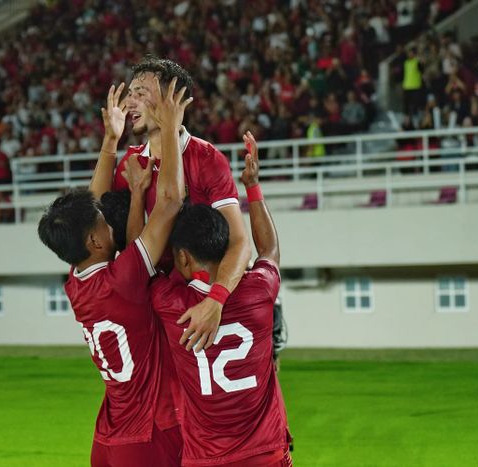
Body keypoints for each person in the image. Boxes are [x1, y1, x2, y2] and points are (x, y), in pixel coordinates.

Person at [37, 79, 192, 466]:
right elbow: (171, 203)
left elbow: (93, 203)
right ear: (93, 241)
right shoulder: (124, 278)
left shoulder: (76, 282)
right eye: (104, 224)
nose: (111, 224)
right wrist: (171, 129)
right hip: (150, 433)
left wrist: (111, 142)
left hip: (108, 433)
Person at [148, 132, 293, 466]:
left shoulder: (171, 305)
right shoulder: (259, 291)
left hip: (206, 458)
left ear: (182, 258)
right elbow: (269, 250)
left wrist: (145, 193)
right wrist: (252, 186)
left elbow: (143, 260)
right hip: (265, 452)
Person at [112, 56, 252, 351]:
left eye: (140, 93)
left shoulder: (206, 158)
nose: (130, 101)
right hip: (163, 301)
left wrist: (215, 301)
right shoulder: (131, 163)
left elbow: (240, 242)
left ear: (171, 101)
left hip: (215, 299)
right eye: (130, 93)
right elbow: (132, 249)